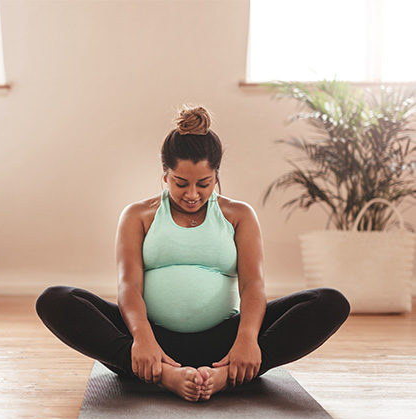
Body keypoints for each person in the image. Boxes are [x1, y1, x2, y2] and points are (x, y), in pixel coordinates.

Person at [35, 105, 350, 402]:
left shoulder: (238, 215)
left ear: (217, 176)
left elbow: (253, 284)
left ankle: (228, 373)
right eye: (180, 183)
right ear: (165, 174)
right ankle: (162, 373)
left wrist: (247, 338)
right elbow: (128, 285)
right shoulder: (138, 215)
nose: (192, 194)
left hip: (223, 341)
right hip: (150, 341)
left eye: (205, 183)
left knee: (329, 302)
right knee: (56, 299)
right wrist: (143, 338)